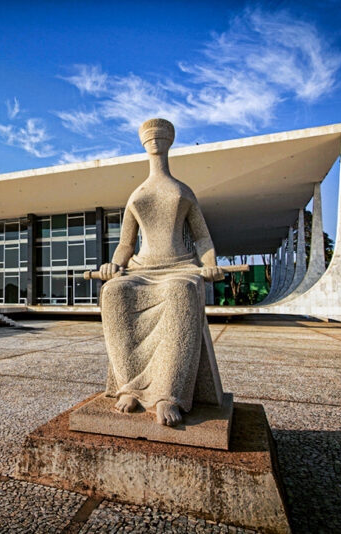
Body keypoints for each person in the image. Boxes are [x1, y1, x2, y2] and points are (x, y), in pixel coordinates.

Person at [98, 118, 223, 427]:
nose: (155, 140)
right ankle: (130, 387)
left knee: (181, 291)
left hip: (180, 267)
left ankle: (169, 393)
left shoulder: (183, 191)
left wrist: (209, 263)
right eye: (150, 136)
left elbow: (203, 237)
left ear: (170, 140)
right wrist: (114, 265)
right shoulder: (136, 194)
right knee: (113, 292)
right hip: (142, 268)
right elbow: (125, 244)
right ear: (143, 142)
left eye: (160, 135)